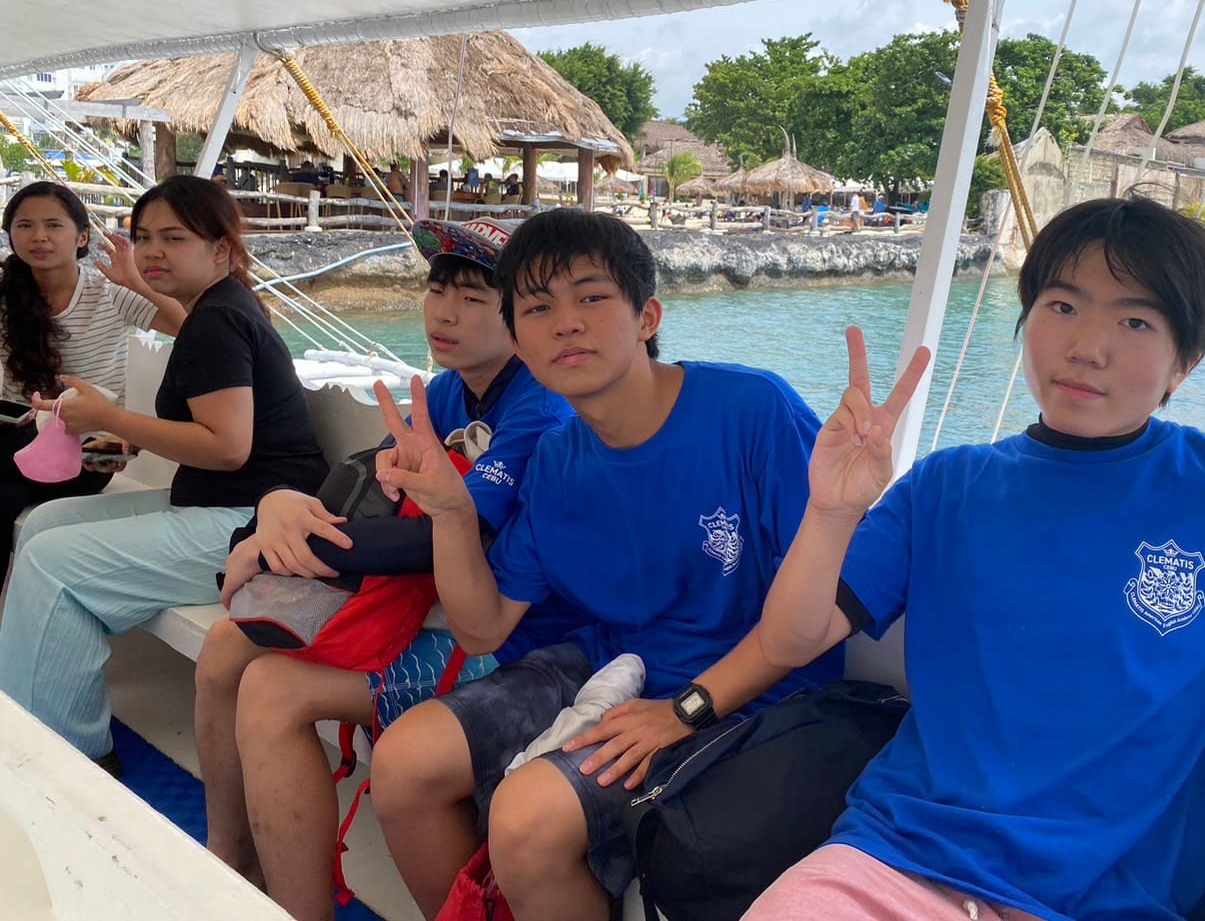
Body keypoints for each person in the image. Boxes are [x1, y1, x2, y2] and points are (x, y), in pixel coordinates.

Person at [747, 196, 1205, 921]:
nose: (1086, 346)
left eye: (1134, 322)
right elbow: (790, 639)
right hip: (896, 861)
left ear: (1184, 364)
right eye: (1062, 306)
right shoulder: (945, 486)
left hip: (1116, 899)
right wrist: (831, 511)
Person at [367, 208, 844, 920]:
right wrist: (451, 512)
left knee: (526, 819)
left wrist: (685, 710)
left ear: (647, 316)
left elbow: (829, 603)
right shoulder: (558, 459)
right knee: (404, 763)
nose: (566, 323)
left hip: (756, 691)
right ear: (519, 342)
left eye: (591, 297)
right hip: (617, 666)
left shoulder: (752, 412)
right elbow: (482, 627)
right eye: (537, 308)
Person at [192, 217, 581, 920]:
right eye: (437, 289)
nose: (445, 311)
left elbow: (449, 534)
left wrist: (290, 546)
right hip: (427, 608)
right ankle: (230, 857)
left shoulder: (540, 409)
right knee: (227, 643)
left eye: (473, 296)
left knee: (273, 690)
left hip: (509, 640)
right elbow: (364, 494)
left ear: (523, 316)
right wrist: (267, 521)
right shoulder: (448, 394)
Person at [0, 175, 328, 769]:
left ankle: (72, 761)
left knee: (53, 563)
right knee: (45, 524)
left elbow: (228, 447)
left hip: (257, 523)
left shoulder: (217, 321)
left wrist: (107, 417)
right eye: (144, 236)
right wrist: (121, 424)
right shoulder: (218, 308)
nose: (152, 251)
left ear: (220, 250)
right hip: (224, 502)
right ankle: (32, 712)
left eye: (173, 238)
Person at [0, 182, 186, 577]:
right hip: (16, 437)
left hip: (90, 451)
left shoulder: (109, 293)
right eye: (25, 226)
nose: (39, 236)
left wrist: (137, 282)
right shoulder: (5, 295)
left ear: (82, 236)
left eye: (54, 225)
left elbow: (191, 328)